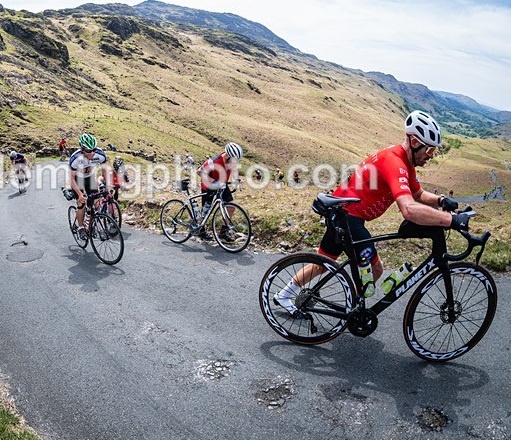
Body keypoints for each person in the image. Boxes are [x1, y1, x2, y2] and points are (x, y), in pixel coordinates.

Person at [273, 111, 470, 315]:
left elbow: (417, 193)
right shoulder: (395, 162)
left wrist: (441, 200)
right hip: (349, 218)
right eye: (429, 150)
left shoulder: (405, 161)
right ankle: (353, 313)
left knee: (322, 264)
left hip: (342, 213)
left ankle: (285, 295)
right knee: (376, 270)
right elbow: (409, 209)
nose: (431, 156)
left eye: (433, 151)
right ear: (413, 142)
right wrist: (451, 220)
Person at [196, 142, 244, 240]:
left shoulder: (231, 161)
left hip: (222, 185)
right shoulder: (214, 162)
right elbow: (199, 172)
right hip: (208, 185)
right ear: (227, 156)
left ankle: (223, 232)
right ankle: (200, 230)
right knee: (206, 210)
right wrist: (214, 182)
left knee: (230, 207)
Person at [69, 133, 108, 239]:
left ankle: (91, 223)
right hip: (78, 180)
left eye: (94, 149)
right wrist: (80, 194)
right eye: (88, 151)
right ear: (82, 149)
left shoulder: (100, 154)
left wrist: (106, 184)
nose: (92, 153)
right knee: (81, 203)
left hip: (90, 178)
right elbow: (71, 179)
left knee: (96, 203)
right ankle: (80, 227)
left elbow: (105, 170)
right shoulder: (75, 158)